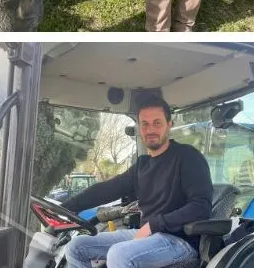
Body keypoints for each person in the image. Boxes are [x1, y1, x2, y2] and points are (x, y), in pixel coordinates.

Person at [61, 96, 212, 268]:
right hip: (146, 235)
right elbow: (106, 189)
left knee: (119, 254)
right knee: (76, 247)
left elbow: (201, 207)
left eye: (157, 123)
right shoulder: (142, 165)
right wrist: (67, 207)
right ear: (140, 127)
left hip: (179, 240)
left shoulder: (188, 157)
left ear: (169, 124)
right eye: (145, 124)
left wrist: (155, 224)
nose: (150, 129)